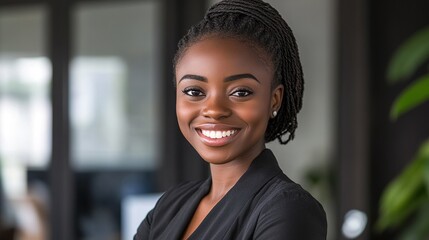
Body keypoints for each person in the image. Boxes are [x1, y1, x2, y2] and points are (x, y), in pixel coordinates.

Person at [134, 0, 327, 239]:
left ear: (274, 100)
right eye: (194, 92)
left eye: (240, 92)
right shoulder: (169, 206)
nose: (214, 110)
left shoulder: (288, 209)